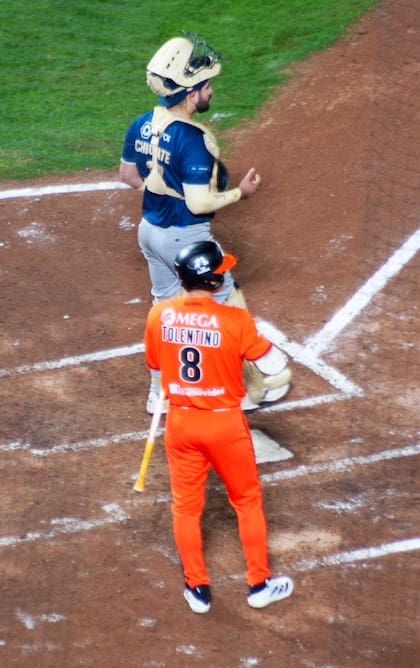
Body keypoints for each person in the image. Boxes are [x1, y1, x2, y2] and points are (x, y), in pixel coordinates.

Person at [120, 31, 289, 415]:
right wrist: (240, 193)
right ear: (190, 92)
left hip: (150, 233)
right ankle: (263, 384)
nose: (210, 91)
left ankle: (158, 395)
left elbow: (128, 175)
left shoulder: (142, 124)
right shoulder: (193, 139)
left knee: (165, 313)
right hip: (186, 238)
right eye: (206, 85)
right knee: (230, 307)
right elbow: (198, 203)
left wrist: (161, 187)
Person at [144, 241, 294, 614]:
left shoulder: (158, 315)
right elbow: (275, 366)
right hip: (225, 425)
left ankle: (197, 590)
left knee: (185, 508)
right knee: (246, 502)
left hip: (180, 424)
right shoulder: (235, 320)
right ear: (213, 280)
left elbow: (156, 362)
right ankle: (259, 584)